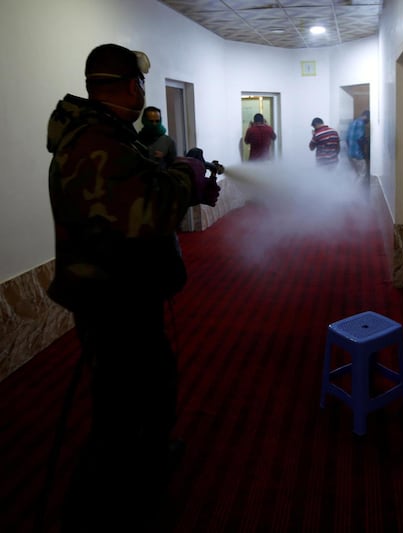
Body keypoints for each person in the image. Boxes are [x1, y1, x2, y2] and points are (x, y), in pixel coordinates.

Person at [46, 43, 219, 532]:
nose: (142, 89)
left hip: (124, 291)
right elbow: (147, 212)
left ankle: (147, 464)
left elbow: (134, 191)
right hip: (113, 300)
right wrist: (187, 178)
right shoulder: (96, 144)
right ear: (129, 86)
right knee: (120, 411)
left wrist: (183, 179)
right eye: (140, 83)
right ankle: (98, 510)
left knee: (150, 388)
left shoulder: (107, 137)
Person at [346, 110, 370, 183]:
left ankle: (350, 190)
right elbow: (360, 139)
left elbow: (347, 139)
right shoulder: (361, 124)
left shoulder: (352, 123)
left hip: (350, 154)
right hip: (358, 154)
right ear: (366, 117)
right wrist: (366, 141)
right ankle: (356, 192)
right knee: (362, 174)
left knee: (355, 174)